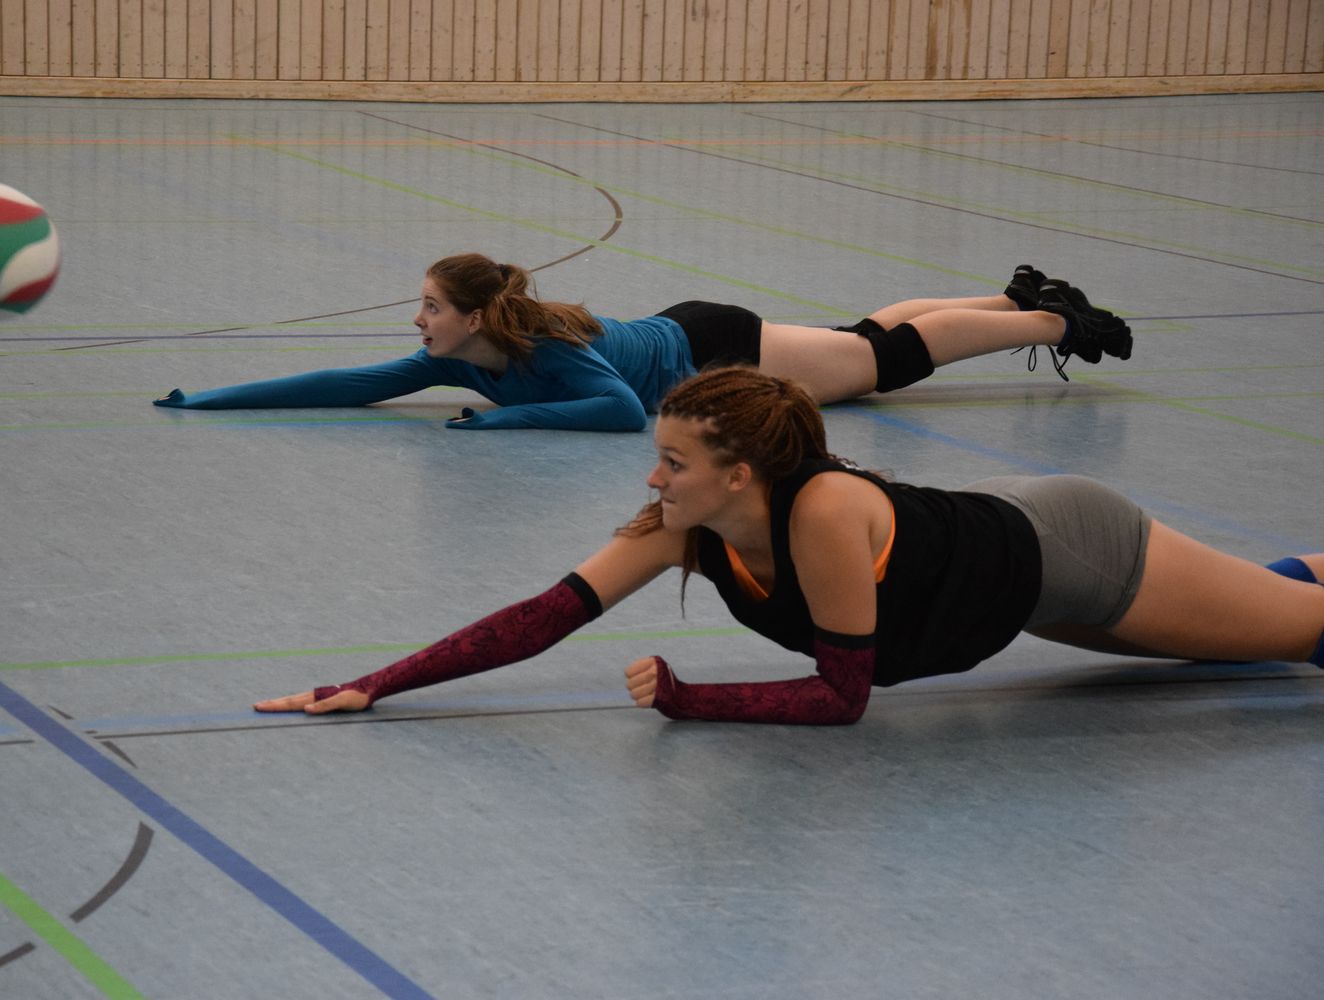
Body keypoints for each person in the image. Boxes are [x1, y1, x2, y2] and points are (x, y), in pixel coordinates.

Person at [255, 367, 1324, 725]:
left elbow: (844, 696)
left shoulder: (821, 512)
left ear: (740, 475)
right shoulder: (687, 529)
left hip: (1072, 550)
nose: (652, 481)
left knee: (1301, 637)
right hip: (1009, 580)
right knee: (1248, 628)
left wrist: (690, 700)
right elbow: (545, 616)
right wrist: (376, 683)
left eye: (672, 461)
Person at [154, 253, 1133, 432]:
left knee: (882, 363)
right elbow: (346, 383)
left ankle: (1059, 323)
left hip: (713, 351)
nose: (417, 324)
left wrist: (502, 425)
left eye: (429, 308)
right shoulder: (456, 357)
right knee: (862, 340)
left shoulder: (543, 352)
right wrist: (211, 399)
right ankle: (1015, 297)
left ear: (475, 317)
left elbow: (621, 410)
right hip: (688, 333)